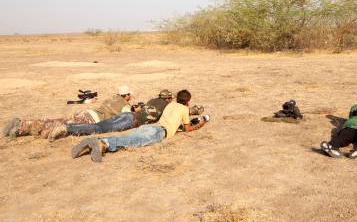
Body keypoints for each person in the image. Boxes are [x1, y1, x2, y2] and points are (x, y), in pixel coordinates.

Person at [71, 89, 207, 163]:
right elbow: (188, 129)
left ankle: (94, 143)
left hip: (150, 127)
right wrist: (199, 124)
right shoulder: (183, 110)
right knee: (131, 141)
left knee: (128, 137)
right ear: (188, 101)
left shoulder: (170, 104)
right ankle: (102, 143)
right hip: (159, 132)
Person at [48, 89, 209, 141]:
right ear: (168, 98)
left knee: (99, 126)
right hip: (130, 122)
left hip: (128, 116)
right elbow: (179, 113)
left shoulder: (153, 100)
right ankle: (67, 128)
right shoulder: (169, 105)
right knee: (98, 128)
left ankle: (65, 127)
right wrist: (196, 115)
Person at [2, 86, 134, 139]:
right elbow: (127, 117)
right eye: (129, 95)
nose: (130, 97)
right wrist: (133, 109)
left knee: (55, 121)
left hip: (85, 112)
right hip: (91, 120)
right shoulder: (125, 105)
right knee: (55, 125)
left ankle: (22, 124)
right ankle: (20, 129)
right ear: (126, 95)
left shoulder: (112, 98)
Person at [320, 90, 357, 159]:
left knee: (343, 137)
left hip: (350, 125)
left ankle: (332, 145)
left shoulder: (354, 107)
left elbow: (351, 117)